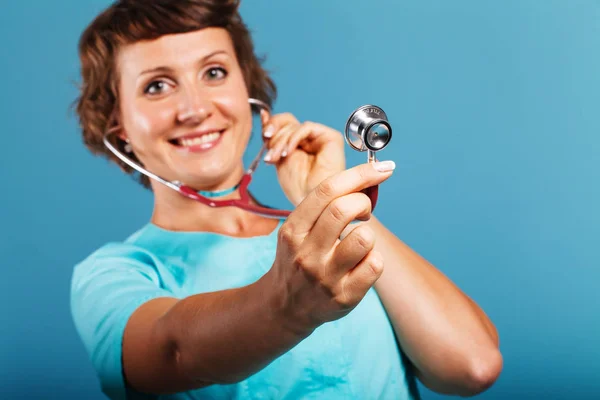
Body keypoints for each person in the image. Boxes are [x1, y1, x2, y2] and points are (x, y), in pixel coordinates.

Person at [70, 1, 503, 399]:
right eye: (157, 86)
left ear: (249, 91)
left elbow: (472, 365)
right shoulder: (113, 274)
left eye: (215, 73)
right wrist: (289, 306)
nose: (195, 108)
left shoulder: (324, 241)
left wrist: (333, 203)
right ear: (119, 125)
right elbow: (174, 350)